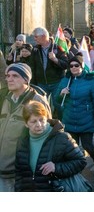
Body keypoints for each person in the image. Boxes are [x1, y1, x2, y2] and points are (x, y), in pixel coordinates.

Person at [14, 101, 87, 192]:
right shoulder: (22, 141)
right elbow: (19, 173)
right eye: (33, 121)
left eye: (41, 120)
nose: (39, 125)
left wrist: (56, 168)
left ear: (47, 118)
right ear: (26, 123)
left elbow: (80, 161)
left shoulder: (62, 138)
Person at [0, 63, 51, 191]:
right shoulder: (3, 98)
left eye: (15, 76)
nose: (9, 79)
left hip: (20, 173)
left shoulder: (37, 100)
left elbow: (47, 134)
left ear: (26, 79)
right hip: (2, 170)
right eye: (8, 76)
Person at [54, 54, 94, 176]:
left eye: (76, 65)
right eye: (71, 66)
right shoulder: (65, 81)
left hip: (86, 119)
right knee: (73, 148)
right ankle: (76, 170)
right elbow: (56, 99)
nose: (73, 68)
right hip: (70, 119)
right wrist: (61, 93)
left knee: (88, 145)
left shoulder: (91, 81)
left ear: (82, 66)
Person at [30, 27, 68, 111]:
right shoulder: (35, 49)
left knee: (58, 105)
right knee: (40, 106)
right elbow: (32, 66)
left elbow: (66, 64)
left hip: (56, 82)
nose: (34, 39)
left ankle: (60, 122)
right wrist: (33, 82)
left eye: (36, 36)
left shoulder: (58, 47)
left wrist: (55, 60)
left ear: (43, 36)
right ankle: (45, 123)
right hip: (41, 83)